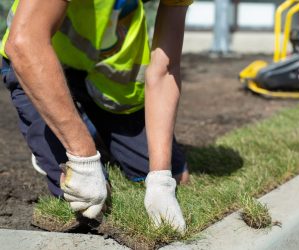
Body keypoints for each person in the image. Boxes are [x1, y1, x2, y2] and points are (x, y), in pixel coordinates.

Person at [0, 0, 192, 232]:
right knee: (88, 205)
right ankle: (68, 129)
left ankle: (88, 126)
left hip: (107, 76)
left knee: (177, 173)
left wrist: (161, 180)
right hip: (41, 67)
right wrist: (82, 157)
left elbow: (166, 69)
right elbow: (25, 43)